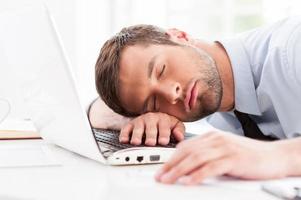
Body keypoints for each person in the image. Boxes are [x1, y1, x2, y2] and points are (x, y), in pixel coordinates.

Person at [89, 17, 301, 185]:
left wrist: (271, 156)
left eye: (161, 70)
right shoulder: (218, 107)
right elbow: (97, 110)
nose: (171, 94)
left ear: (180, 35)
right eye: (154, 102)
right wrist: (141, 123)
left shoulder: (291, 47)